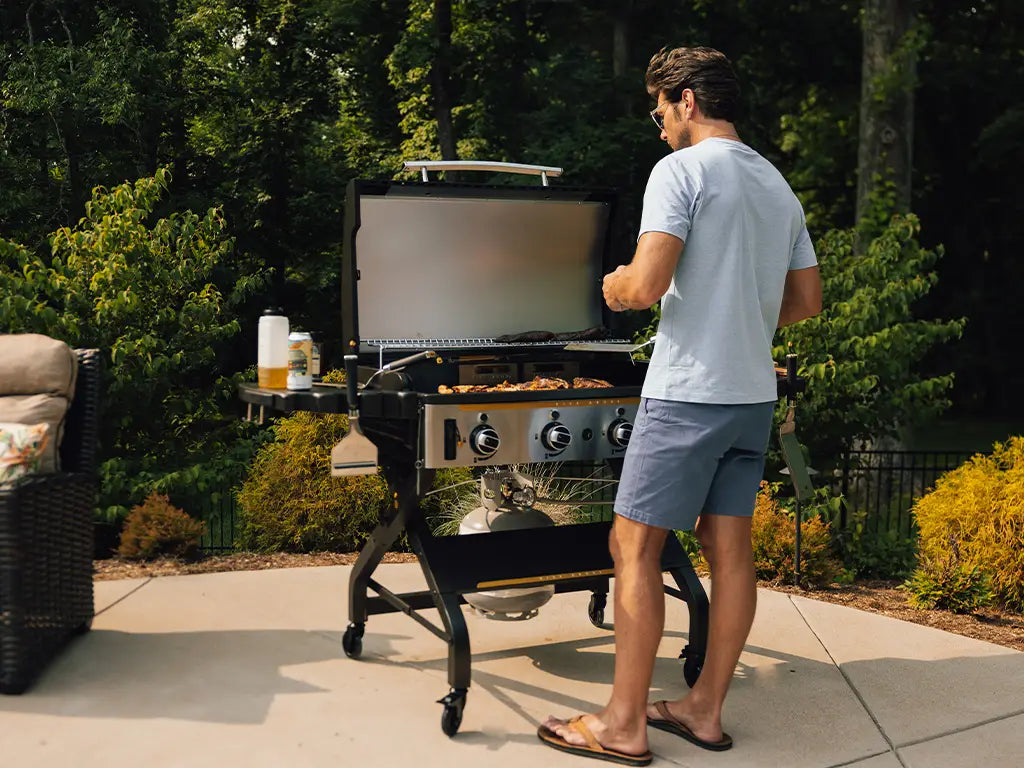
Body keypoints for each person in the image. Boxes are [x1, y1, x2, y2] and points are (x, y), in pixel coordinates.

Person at [538, 46, 823, 765]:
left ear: (686, 100)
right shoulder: (777, 185)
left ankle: (622, 724)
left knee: (634, 546)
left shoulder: (681, 171)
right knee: (730, 552)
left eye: (659, 109)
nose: (658, 123)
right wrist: (739, 316)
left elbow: (644, 285)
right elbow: (805, 301)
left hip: (688, 395)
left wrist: (615, 285)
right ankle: (703, 710)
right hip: (750, 398)